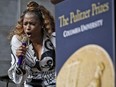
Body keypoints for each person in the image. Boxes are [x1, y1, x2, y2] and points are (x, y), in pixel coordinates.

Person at [8, 1, 56, 87]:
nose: (28, 28)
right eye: (25, 24)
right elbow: (18, 79)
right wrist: (19, 61)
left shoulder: (53, 38)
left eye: (32, 24)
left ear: (41, 24)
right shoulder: (17, 41)